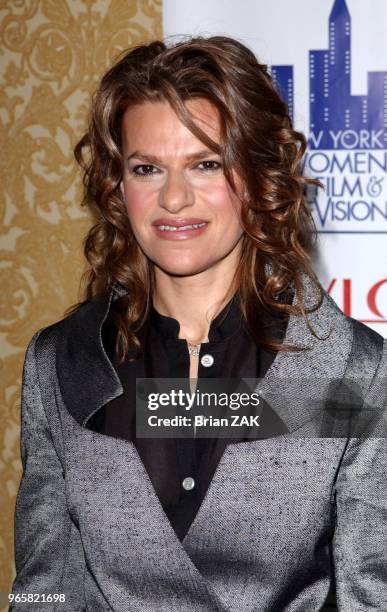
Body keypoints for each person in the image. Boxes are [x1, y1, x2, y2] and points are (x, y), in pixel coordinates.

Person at [10, 35, 386, 612]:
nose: (175, 199)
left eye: (206, 164)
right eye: (147, 168)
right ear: (118, 186)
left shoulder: (355, 373)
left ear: (258, 178)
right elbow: (43, 590)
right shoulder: (61, 364)